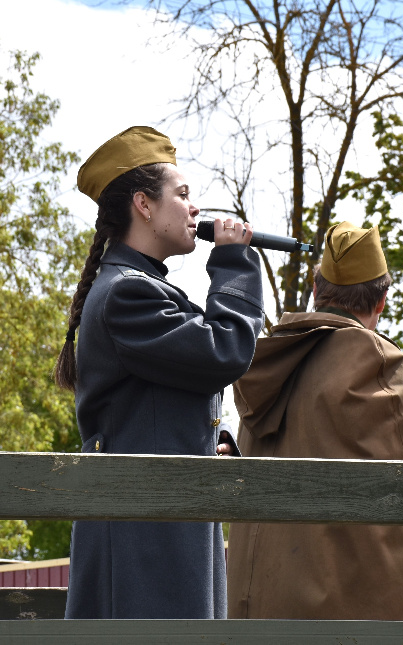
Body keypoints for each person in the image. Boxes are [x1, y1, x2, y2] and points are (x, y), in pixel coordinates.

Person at [55, 126, 265, 619]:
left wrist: (215, 435)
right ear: (144, 205)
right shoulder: (128, 294)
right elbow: (224, 350)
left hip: (162, 523)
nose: (196, 209)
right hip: (142, 536)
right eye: (184, 195)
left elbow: (175, 388)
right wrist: (233, 263)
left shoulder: (140, 288)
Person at [226, 221, 403, 621]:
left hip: (260, 610)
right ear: (381, 301)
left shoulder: (266, 362)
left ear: (317, 291)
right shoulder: (379, 363)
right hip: (347, 617)